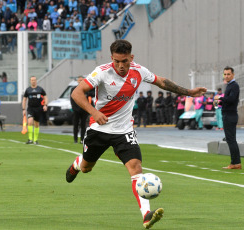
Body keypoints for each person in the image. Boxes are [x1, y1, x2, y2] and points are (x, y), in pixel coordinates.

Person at [65, 40, 207, 229]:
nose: (121, 66)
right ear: (111, 58)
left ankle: (146, 215)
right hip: (99, 130)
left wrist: (188, 92)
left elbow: (162, 82)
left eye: (124, 61)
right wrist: (95, 112)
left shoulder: (139, 71)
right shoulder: (102, 71)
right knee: (86, 168)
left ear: (131, 58)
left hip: (124, 131)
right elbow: (77, 93)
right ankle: (77, 163)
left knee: (136, 168)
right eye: (117, 61)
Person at [214, 66, 241, 169]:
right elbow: (227, 100)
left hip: (230, 115)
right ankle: (235, 162)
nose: (226, 76)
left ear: (233, 75)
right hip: (227, 114)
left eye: (228, 74)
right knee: (230, 139)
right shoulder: (229, 85)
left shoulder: (234, 85)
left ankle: (235, 163)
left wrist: (220, 98)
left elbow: (231, 99)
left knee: (231, 140)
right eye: (225, 74)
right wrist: (218, 102)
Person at [22, 76, 48, 144]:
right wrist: (23, 109)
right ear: (30, 81)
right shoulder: (28, 90)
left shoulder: (40, 89)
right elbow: (24, 99)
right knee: (30, 121)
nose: (33, 81)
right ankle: (30, 139)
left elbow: (45, 97)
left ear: (36, 81)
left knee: (36, 124)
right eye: (32, 80)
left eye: (34, 80)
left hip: (38, 108)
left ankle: (35, 140)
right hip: (30, 108)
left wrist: (45, 105)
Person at [71, 76, 89, 144]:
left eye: (82, 80)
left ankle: (82, 139)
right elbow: (72, 99)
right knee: (75, 124)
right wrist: (75, 108)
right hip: (76, 110)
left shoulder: (86, 89)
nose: (81, 81)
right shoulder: (73, 89)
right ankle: (75, 139)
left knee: (83, 125)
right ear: (77, 81)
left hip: (84, 110)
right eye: (79, 80)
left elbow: (88, 98)